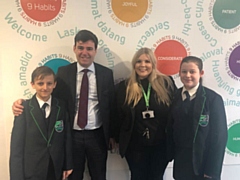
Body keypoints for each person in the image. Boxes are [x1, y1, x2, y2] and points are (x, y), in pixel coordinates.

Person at [12, 30, 115, 180]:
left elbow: (111, 106)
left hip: (97, 136)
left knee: (99, 176)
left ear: (95, 50)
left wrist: (112, 134)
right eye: (80, 48)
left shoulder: (106, 74)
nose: (84, 52)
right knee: (73, 176)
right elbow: (50, 97)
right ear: (74, 49)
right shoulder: (63, 73)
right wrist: (22, 103)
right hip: (71, 136)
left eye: (89, 48)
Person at [114, 47, 175, 180]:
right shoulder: (124, 87)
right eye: (139, 61)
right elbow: (118, 116)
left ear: (153, 64)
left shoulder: (166, 83)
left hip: (161, 146)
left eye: (147, 61)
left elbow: (174, 114)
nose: (143, 65)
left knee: (157, 177)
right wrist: (116, 139)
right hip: (135, 147)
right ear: (134, 64)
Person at [166, 56, 228, 180]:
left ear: (201, 73)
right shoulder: (174, 97)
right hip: (181, 164)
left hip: (204, 167)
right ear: (179, 73)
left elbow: (219, 138)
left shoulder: (213, 99)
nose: (187, 75)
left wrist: (212, 171)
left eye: (192, 71)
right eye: (184, 71)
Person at [10, 66, 73, 180]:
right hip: (32, 170)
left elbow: (66, 137)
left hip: (55, 168)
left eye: (49, 83)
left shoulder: (61, 106)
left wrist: (68, 164)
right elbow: (16, 148)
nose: (45, 87)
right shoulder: (24, 109)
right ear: (32, 84)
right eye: (40, 83)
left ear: (54, 84)